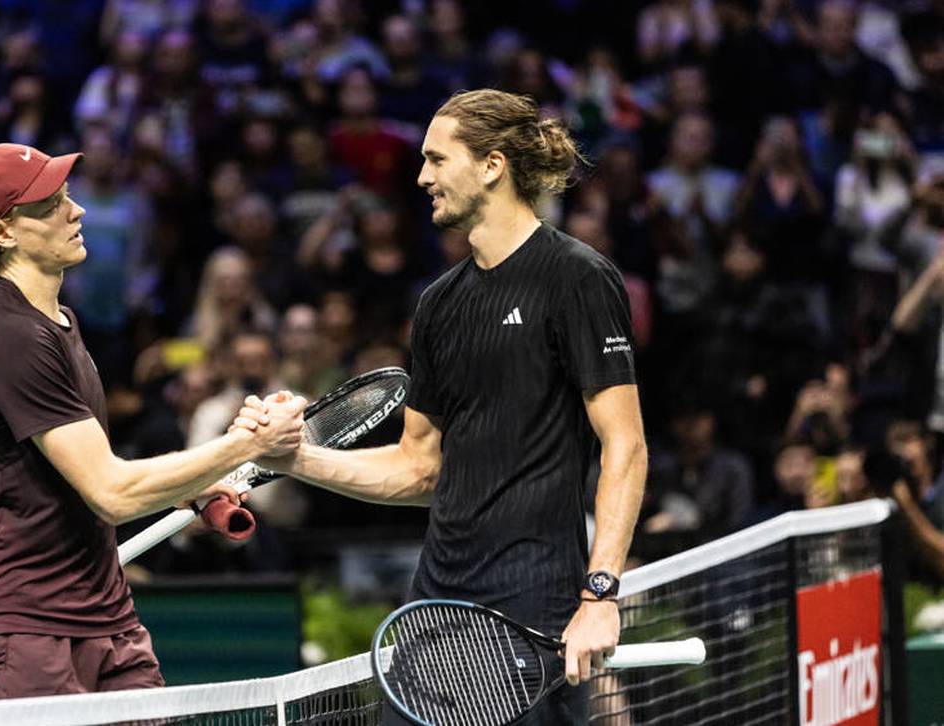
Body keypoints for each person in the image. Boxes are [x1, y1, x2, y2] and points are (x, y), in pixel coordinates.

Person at [239, 90, 647, 725]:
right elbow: (417, 468)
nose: (422, 176)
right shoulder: (437, 306)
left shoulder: (576, 277)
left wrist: (601, 594)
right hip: (434, 610)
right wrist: (294, 458)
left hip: (531, 607)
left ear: (492, 165)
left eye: (436, 159)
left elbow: (626, 446)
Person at [0, 142, 306, 700]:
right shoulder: (9, 337)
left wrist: (186, 483)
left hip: (105, 615)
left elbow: (90, 469)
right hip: (24, 625)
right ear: (4, 233)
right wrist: (246, 445)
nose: (77, 211)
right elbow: (110, 493)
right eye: (51, 204)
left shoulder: (60, 321)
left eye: (67, 196)